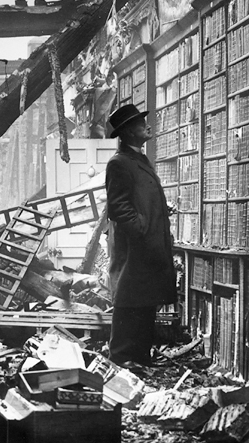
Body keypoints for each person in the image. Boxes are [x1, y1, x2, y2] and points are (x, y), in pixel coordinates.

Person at [105, 104, 177, 369]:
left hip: (146, 244)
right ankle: (121, 361)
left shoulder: (138, 158)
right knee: (128, 302)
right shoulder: (119, 162)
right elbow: (118, 207)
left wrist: (155, 211)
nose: (146, 125)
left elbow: (138, 198)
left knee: (144, 301)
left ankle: (140, 360)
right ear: (126, 132)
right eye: (139, 123)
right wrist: (141, 228)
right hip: (134, 247)